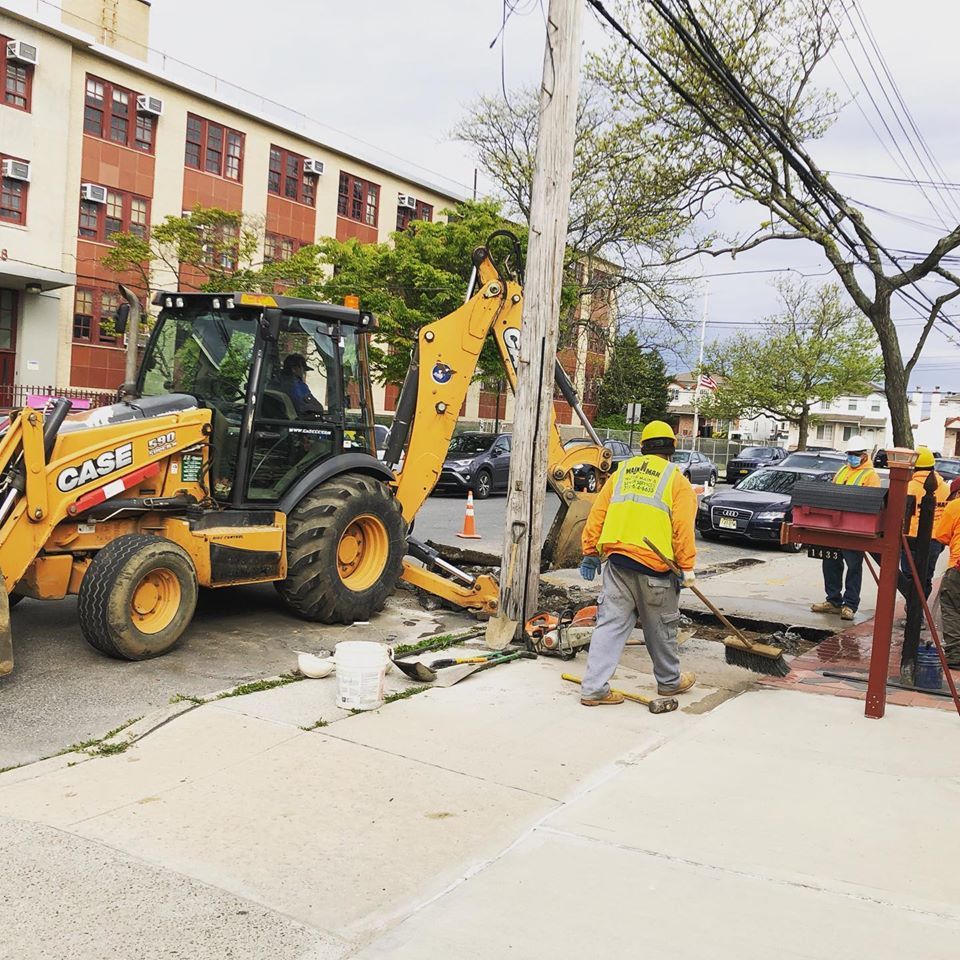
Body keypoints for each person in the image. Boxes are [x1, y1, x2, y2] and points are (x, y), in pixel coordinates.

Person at [578, 420, 697, 705]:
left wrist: (590, 551)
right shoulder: (677, 480)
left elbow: (598, 513)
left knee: (609, 626)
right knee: (662, 628)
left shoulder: (622, 473)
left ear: (642, 447)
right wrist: (687, 566)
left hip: (618, 565)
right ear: (672, 448)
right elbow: (682, 528)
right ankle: (669, 683)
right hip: (656, 569)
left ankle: (593, 688)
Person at [810, 434, 880, 621]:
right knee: (830, 562)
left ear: (864, 455)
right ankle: (833, 601)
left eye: (855, 454)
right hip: (835, 526)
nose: (852, 457)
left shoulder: (870, 476)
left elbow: (870, 502)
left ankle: (850, 605)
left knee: (854, 566)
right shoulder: (842, 470)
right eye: (849, 454)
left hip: (855, 529)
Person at [898, 446, 950, 601]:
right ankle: (920, 610)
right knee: (926, 577)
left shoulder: (909, 487)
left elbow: (901, 514)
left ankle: (913, 613)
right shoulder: (945, 488)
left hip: (911, 539)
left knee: (909, 577)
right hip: (936, 540)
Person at [933, 476, 960, 669]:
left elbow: (941, 535)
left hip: (958, 565)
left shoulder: (955, 506)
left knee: (951, 607)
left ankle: (955, 654)